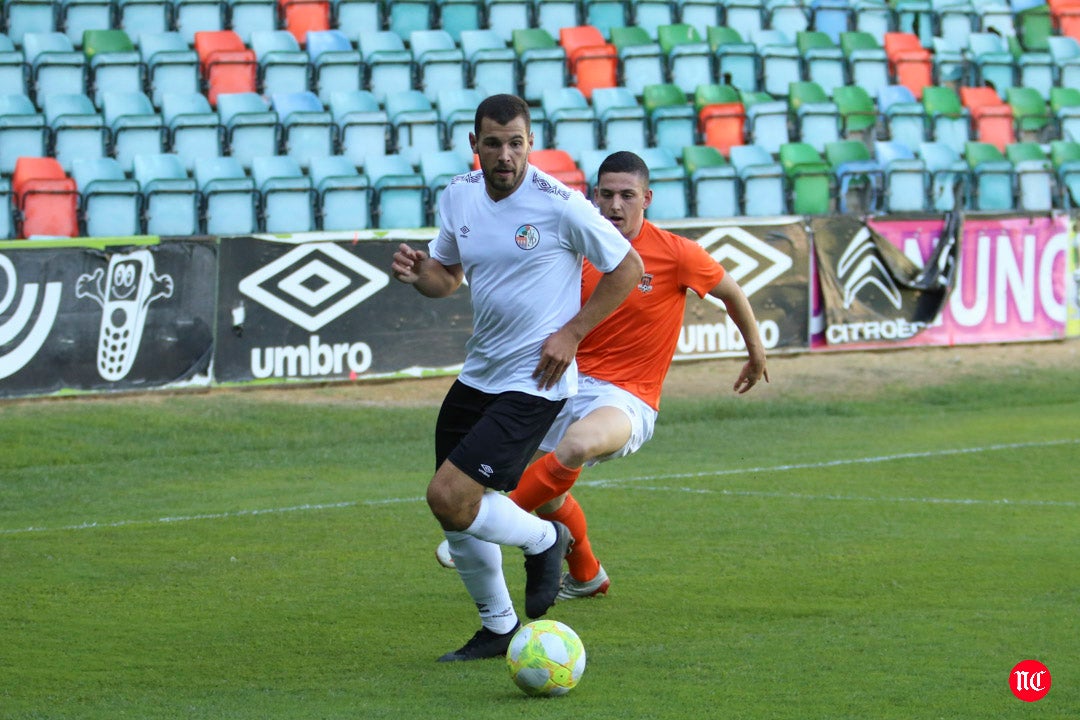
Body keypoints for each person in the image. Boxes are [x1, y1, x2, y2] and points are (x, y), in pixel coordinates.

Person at [436, 150, 770, 599]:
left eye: (627, 195)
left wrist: (756, 351)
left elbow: (730, 292)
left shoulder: (677, 254)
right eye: (607, 194)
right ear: (594, 196)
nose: (616, 205)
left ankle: (480, 532)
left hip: (627, 397)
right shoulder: (580, 250)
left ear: (646, 198)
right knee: (548, 492)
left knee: (576, 445)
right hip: (563, 383)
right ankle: (588, 574)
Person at [391, 94, 644, 662]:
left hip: (536, 380)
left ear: (530, 143)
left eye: (516, 143)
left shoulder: (561, 204)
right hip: (479, 373)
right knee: (452, 510)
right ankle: (498, 628)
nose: (505, 155)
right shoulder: (458, 194)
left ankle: (546, 538)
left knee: (449, 493)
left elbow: (628, 268)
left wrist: (573, 333)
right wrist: (419, 274)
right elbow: (448, 278)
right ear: (474, 146)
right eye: (493, 143)